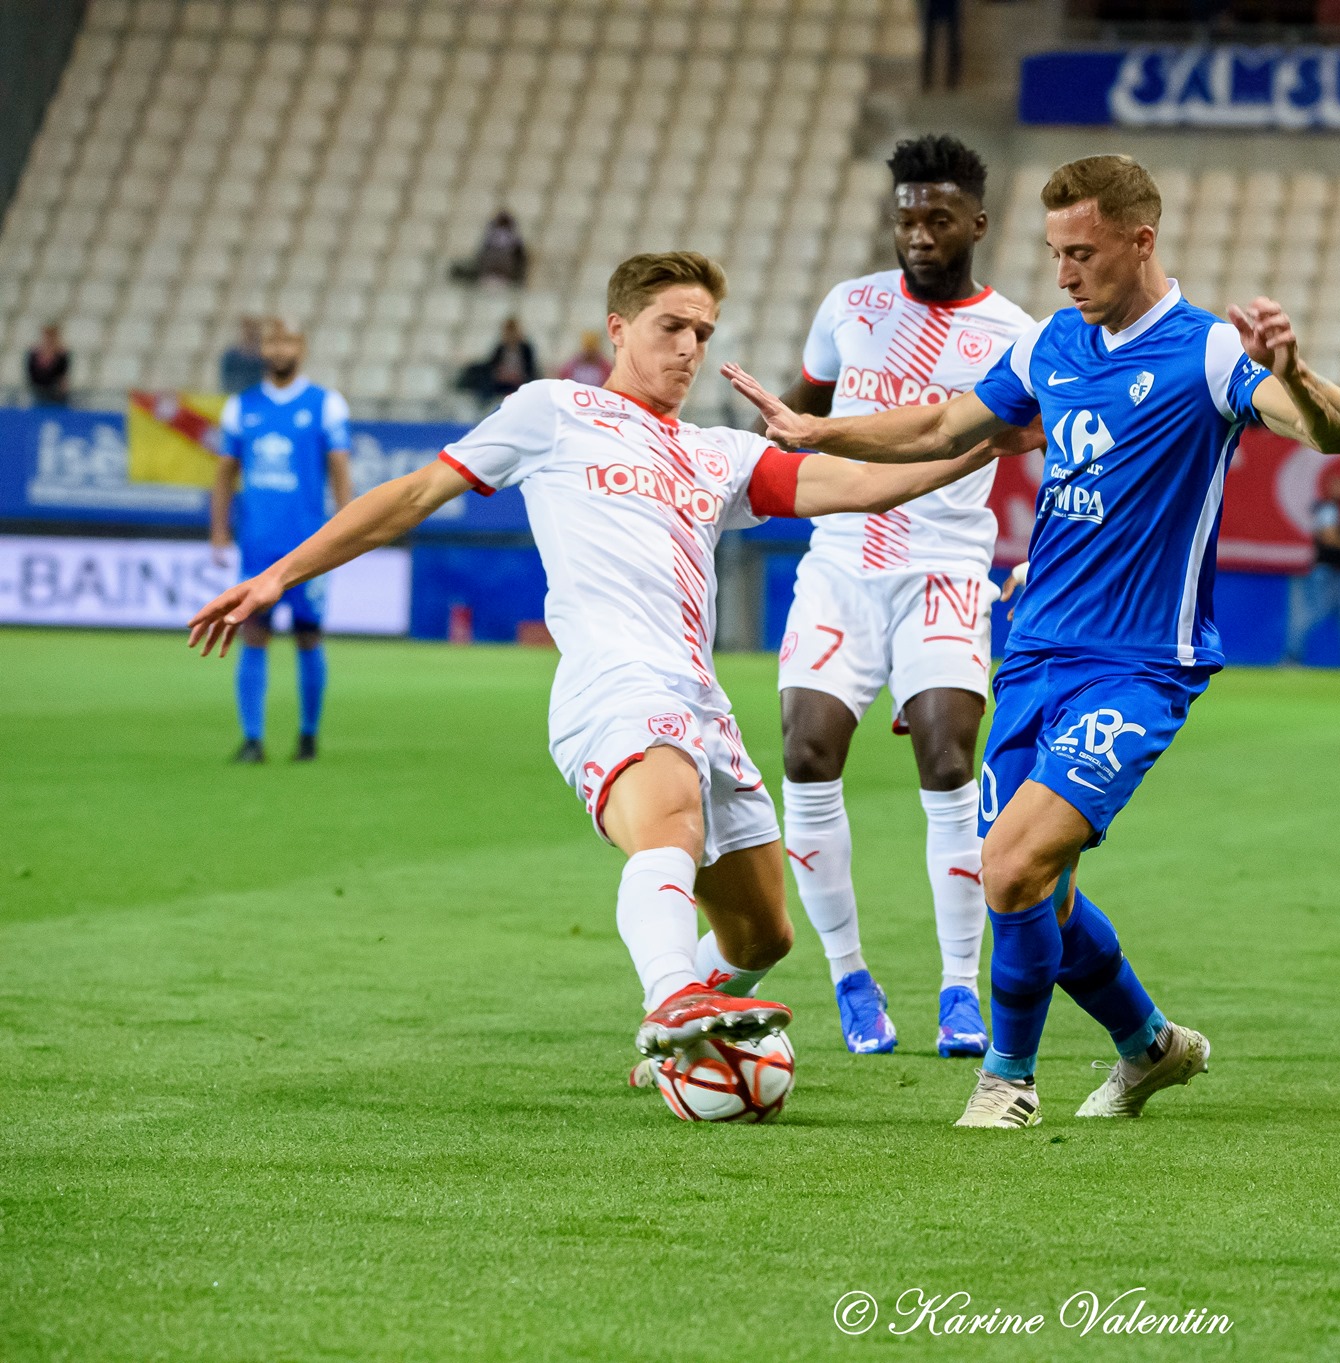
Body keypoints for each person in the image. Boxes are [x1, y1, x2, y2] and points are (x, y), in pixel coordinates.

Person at [188, 252, 1018, 1093]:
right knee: (669, 822)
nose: (690, 348)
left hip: (701, 700)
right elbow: (412, 494)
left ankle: (686, 1028)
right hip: (611, 682)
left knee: (763, 936)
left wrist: (983, 437)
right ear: (619, 328)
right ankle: (672, 1000)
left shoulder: (718, 453)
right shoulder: (553, 411)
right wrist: (278, 575)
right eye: (671, 327)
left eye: (703, 332)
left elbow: (867, 486)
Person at [723, 154, 1340, 1128]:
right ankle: (1148, 1045)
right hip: (1032, 652)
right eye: (1053, 252)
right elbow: (942, 425)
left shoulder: (1207, 354)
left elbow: (1330, 433)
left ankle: (1005, 1080)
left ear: (1139, 243)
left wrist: (1293, 373)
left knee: (1009, 866)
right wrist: (818, 435)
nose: (1061, 274)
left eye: (1081, 254)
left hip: (1139, 664)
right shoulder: (1052, 346)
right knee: (1041, 894)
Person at [773, 135, 1034, 1058]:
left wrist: (1042, 550)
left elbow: (1059, 450)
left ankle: (960, 990)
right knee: (806, 753)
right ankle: (850, 976)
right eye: (905, 217)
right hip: (840, 559)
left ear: (977, 224)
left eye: (937, 218)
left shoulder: (1016, 335)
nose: (918, 234)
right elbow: (804, 412)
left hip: (947, 568)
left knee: (947, 758)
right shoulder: (847, 308)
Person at [209, 318, 353, 763]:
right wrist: (218, 532)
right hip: (258, 543)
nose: (279, 349)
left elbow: (340, 473)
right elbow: (224, 475)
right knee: (253, 632)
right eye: (272, 341)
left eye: (287, 341)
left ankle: (308, 736)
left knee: (309, 634)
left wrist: (346, 532)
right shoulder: (241, 407)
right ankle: (252, 739)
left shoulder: (326, 405)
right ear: (263, 349)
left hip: (308, 545)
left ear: (302, 347)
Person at [1284, 470, 1340, 665]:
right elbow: (1328, 537)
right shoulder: (1329, 509)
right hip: (1327, 571)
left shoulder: (1336, 509)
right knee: (1314, 613)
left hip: (1338, 571)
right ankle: (1292, 655)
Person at [460, 318, 539, 402]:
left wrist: (516, 376)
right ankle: (484, 406)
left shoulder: (526, 349)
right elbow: (492, 365)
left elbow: (530, 368)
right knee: (484, 382)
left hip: (519, 382)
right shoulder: (500, 348)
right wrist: (500, 374)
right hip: (501, 382)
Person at [453, 209, 528, 286]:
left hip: (505, 272)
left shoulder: (515, 240)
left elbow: (520, 257)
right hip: (488, 272)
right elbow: (482, 254)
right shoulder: (490, 237)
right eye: (500, 222)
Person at [26, 324, 69, 406]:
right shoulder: (34, 354)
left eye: (51, 337)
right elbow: (30, 372)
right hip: (37, 390)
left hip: (55, 393)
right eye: (47, 336)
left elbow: (63, 375)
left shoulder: (62, 355)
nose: (49, 340)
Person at [220, 317, 264, 395]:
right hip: (236, 394)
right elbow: (226, 378)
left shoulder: (264, 355)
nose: (250, 332)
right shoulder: (231, 355)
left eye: (253, 328)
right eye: (247, 328)